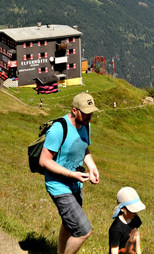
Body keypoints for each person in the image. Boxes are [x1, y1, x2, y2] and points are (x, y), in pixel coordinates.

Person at [39, 92, 101, 254]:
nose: (89, 116)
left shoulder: (86, 125)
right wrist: (71, 174)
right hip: (58, 186)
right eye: (85, 112)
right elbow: (44, 161)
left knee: (69, 223)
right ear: (74, 111)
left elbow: (83, 147)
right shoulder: (59, 129)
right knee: (83, 230)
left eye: (91, 112)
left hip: (75, 184)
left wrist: (92, 167)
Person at [107, 187, 145, 254]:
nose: (135, 212)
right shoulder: (116, 229)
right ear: (122, 208)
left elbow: (136, 236)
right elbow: (114, 251)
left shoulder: (134, 218)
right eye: (132, 209)